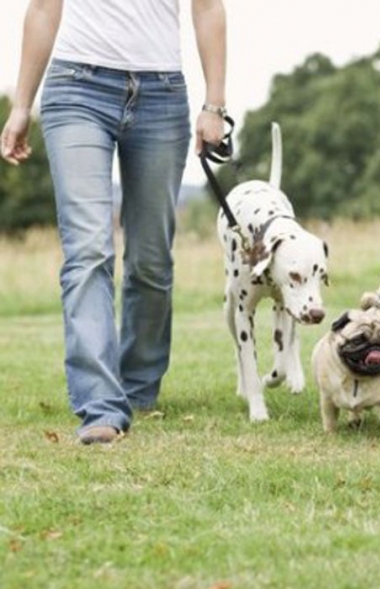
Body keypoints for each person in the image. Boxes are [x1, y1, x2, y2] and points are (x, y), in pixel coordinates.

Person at [1, 0, 228, 444]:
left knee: (151, 258)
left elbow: (208, 8)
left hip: (162, 95)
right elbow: (43, 8)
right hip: (76, 88)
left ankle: (139, 388)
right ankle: (101, 404)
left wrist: (214, 105)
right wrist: (21, 105)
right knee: (88, 249)